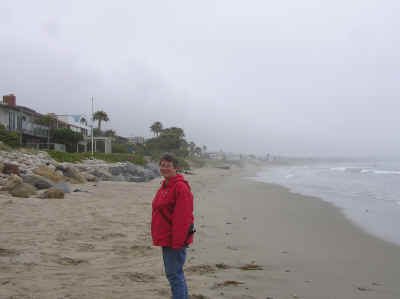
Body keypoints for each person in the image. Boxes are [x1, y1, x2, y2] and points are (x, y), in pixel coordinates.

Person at [151, 153, 194, 299]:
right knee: (174, 274)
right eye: (162, 165)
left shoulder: (180, 187)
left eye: (168, 165)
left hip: (175, 241)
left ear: (176, 168)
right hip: (166, 238)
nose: (164, 168)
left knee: (174, 275)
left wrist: (177, 243)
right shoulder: (165, 186)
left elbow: (183, 218)